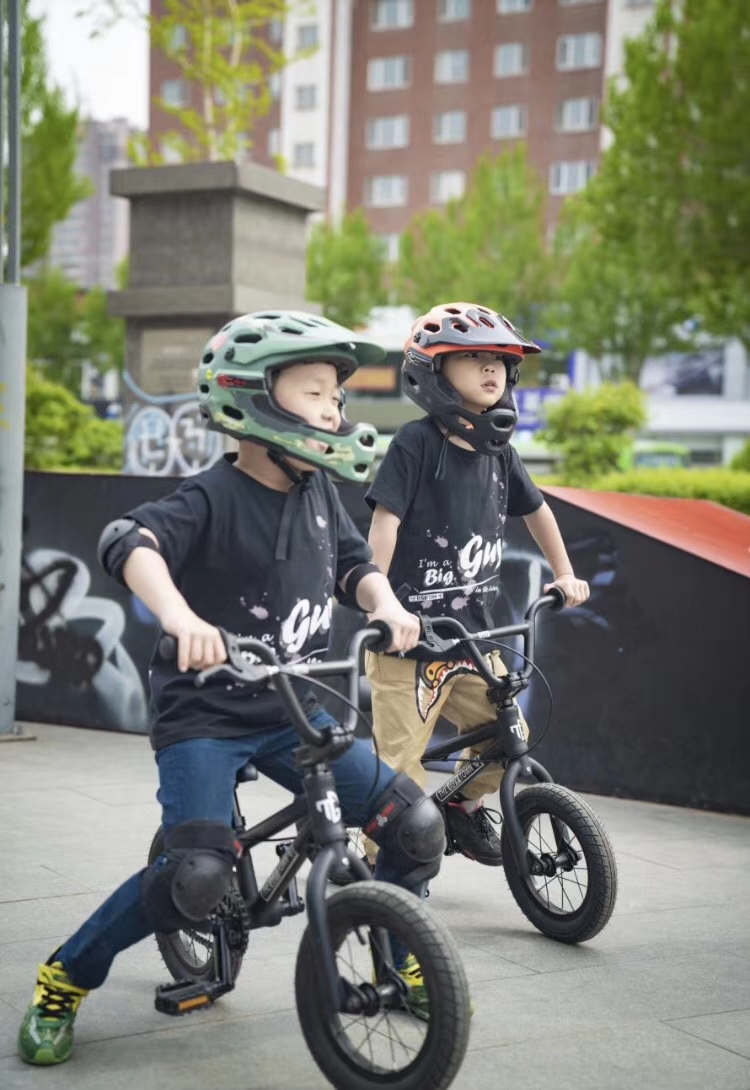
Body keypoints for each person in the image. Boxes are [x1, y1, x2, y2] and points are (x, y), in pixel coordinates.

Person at [18, 312, 447, 1066]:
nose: (334, 409)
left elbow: (354, 561)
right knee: (196, 873)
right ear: (256, 400)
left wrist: (385, 603)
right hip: (206, 717)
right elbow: (130, 542)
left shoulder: (317, 491)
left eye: (335, 397)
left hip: (293, 707)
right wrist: (181, 616)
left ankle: (396, 949)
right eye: (315, 392)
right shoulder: (210, 496)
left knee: (415, 825)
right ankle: (66, 975)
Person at [363, 302, 590, 867]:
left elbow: (537, 512)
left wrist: (564, 573)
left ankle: (458, 808)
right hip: (407, 646)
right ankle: (375, 864)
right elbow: (383, 525)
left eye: (499, 361)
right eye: (472, 359)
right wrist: (383, 605)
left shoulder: (499, 452)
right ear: (434, 372)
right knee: (399, 764)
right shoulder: (416, 444)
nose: (491, 370)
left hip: (471, 640)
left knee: (505, 733)